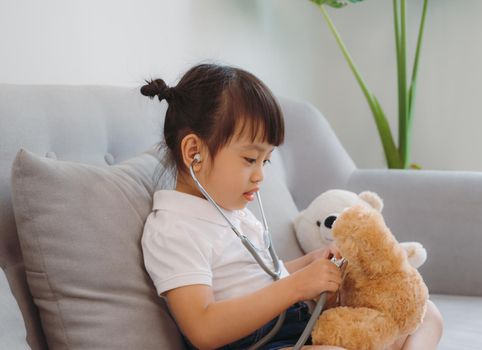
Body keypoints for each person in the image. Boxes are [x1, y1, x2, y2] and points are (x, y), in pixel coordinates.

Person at [140, 63, 443, 350]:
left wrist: (309, 264)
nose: (261, 175)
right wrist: (298, 286)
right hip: (258, 344)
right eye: (250, 159)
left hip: (298, 328)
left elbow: (263, 279)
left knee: (424, 314)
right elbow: (203, 328)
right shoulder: (174, 229)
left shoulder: (232, 213)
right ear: (194, 152)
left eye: (266, 160)